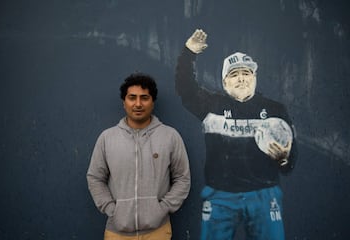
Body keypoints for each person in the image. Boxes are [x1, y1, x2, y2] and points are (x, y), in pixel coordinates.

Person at [175, 29, 297, 240]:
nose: (241, 78)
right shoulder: (211, 105)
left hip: (264, 195)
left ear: (255, 78)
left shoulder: (276, 110)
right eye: (234, 74)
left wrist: (284, 160)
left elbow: (289, 161)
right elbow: (185, 89)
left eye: (246, 73)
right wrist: (189, 53)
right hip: (220, 195)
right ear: (224, 82)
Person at [87, 72, 191, 240]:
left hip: (157, 232)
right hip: (116, 233)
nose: (138, 104)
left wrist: (162, 209)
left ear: (152, 102)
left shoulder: (170, 136)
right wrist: (112, 210)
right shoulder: (107, 138)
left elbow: (182, 178)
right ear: (124, 102)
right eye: (132, 97)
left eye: (144, 98)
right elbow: (95, 178)